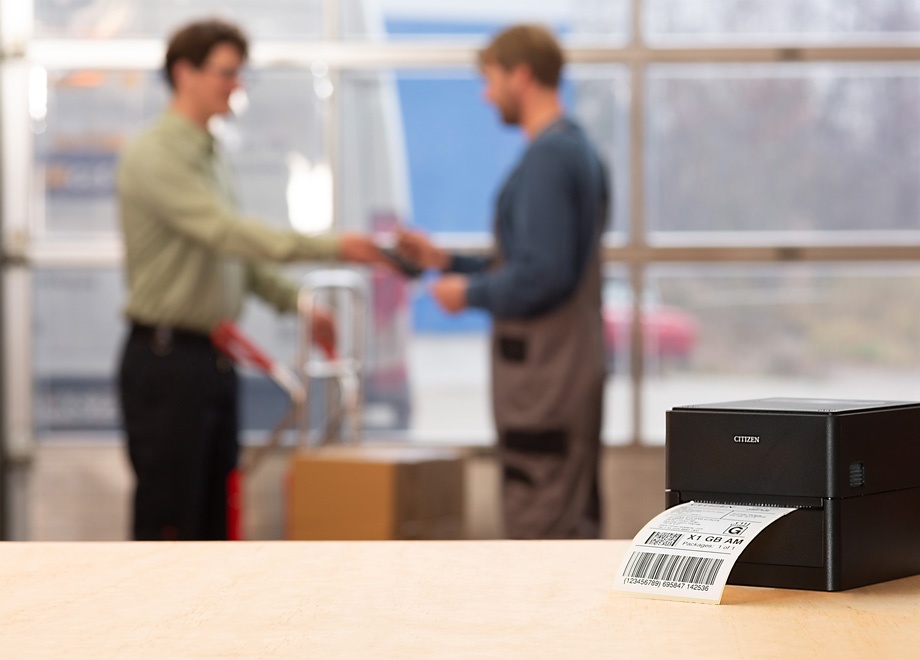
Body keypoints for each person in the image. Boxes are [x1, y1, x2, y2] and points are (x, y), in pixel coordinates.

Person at [116, 18, 384, 541]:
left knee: (215, 521)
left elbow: (240, 264)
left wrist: (300, 304)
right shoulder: (155, 155)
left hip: (211, 362)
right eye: (226, 73)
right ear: (185, 73)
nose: (235, 85)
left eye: (240, 74)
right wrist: (333, 245)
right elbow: (226, 234)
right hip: (167, 365)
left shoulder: (211, 154)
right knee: (171, 524)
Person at [398, 24, 609, 539]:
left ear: (522, 76)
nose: (485, 93)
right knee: (567, 515)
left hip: (546, 379)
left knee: (544, 524)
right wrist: (447, 262)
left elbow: (541, 275)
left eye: (490, 78)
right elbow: (535, 259)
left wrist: (467, 294)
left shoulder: (549, 158)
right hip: (565, 369)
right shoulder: (574, 147)